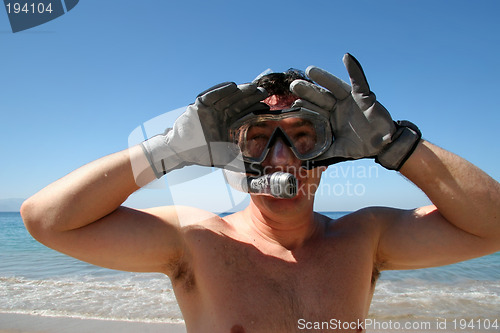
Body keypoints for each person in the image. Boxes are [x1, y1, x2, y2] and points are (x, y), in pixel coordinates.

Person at [21, 54, 500, 332]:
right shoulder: (197, 240)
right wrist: (167, 150)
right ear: (232, 154)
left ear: (333, 149)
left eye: (302, 136)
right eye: (258, 139)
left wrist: (396, 145)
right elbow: (47, 219)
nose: (281, 158)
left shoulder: (364, 238)